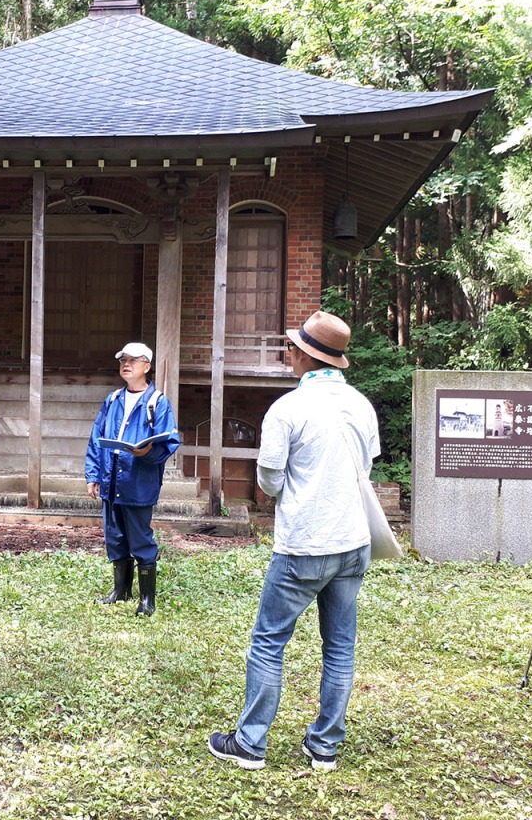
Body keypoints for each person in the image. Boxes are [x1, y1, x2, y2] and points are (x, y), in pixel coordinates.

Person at [208, 310, 378, 772]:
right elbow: (367, 466)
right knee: (340, 645)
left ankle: (250, 743)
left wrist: (290, 492)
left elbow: (268, 477)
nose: (288, 353)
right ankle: (324, 745)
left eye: (292, 348)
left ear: (304, 356)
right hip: (353, 540)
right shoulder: (361, 404)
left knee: (269, 641)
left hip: (304, 542)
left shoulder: (288, 408)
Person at [84, 342, 180, 617]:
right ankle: (121, 590)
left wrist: (148, 452)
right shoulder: (112, 399)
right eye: (123, 360)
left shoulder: (157, 402)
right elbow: (96, 438)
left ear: (147, 367)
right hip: (110, 480)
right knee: (114, 535)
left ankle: (147, 599)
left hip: (138, 482)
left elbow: (169, 442)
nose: (126, 364)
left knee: (140, 538)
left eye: (133, 360)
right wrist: (93, 475)